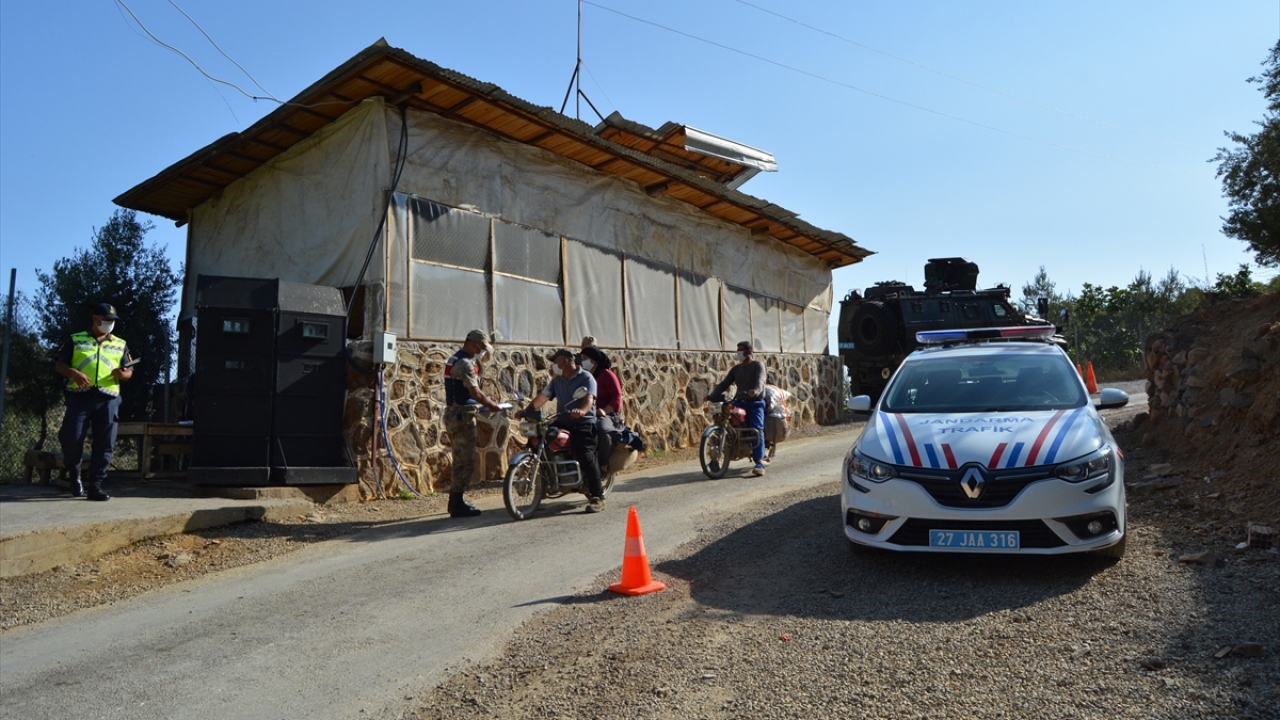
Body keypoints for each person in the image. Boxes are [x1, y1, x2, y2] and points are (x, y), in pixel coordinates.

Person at [54, 302, 134, 501]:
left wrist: (123, 374)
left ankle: (95, 485)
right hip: (80, 397)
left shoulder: (120, 344)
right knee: (71, 437)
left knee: (105, 442)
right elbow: (59, 364)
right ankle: (74, 473)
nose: (110, 324)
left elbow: (129, 370)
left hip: (108, 398)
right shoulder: (75, 339)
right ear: (95, 318)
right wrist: (73, 373)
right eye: (106, 320)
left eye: (113, 321)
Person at [517, 348, 606, 513]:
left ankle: (597, 496)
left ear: (565, 361)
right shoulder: (557, 380)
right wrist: (527, 411)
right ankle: (542, 488)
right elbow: (542, 397)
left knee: (586, 455)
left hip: (583, 422)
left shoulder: (586, 377)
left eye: (555, 362)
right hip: (563, 420)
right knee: (538, 440)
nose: (553, 366)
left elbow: (588, 399)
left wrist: (582, 411)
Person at [442, 329, 503, 518]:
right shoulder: (465, 363)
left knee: (461, 459)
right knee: (465, 460)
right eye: (482, 348)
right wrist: (492, 405)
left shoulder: (456, 359)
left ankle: (456, 502)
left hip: (457, 414)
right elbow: (475, 393)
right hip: (462, 416)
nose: (483, 352)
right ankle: (457, 504)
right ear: (474, 344)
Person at [709, 340, 768, 476]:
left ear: (749, 352)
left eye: (741, 351)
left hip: (755, 403)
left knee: (756, 429)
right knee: (721, 420)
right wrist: (712, 395)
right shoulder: (736, 369)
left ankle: (759, 462)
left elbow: (761, 381)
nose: (738, 354)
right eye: (738, 351)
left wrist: (755, 391)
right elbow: (724, 384)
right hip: (740, 402)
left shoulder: (758, 365)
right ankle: (715, 458)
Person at [579, 345, 622, 471]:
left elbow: (617, 396)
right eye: (581, 358)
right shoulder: (584, 377)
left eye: (585, 358)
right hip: (588, 414)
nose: (583, 361)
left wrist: (605, 410)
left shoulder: (607, 375)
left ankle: (603, 464)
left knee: (602, 429)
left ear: (594, 360)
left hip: (607, 415)